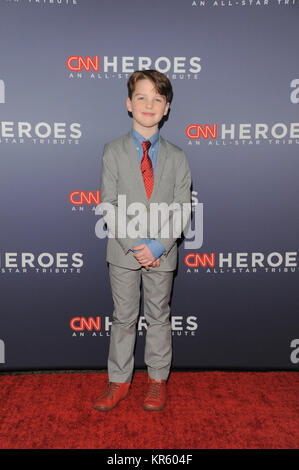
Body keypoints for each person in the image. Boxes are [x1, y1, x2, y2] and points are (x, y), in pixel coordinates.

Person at [93, 69, 192, 411]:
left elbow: (182, 208)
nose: (149, 104)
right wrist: (136, 244)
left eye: (157, 99)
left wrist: (157, 246)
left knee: (159, 316)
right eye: (141, 97)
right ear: (128, 103)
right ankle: (118, 382)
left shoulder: (178, 157)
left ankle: (157, 381)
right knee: (123, 318)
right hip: (123, 252)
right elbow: (109, 203)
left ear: (167, 108)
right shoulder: (112, 151)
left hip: (162, 254)